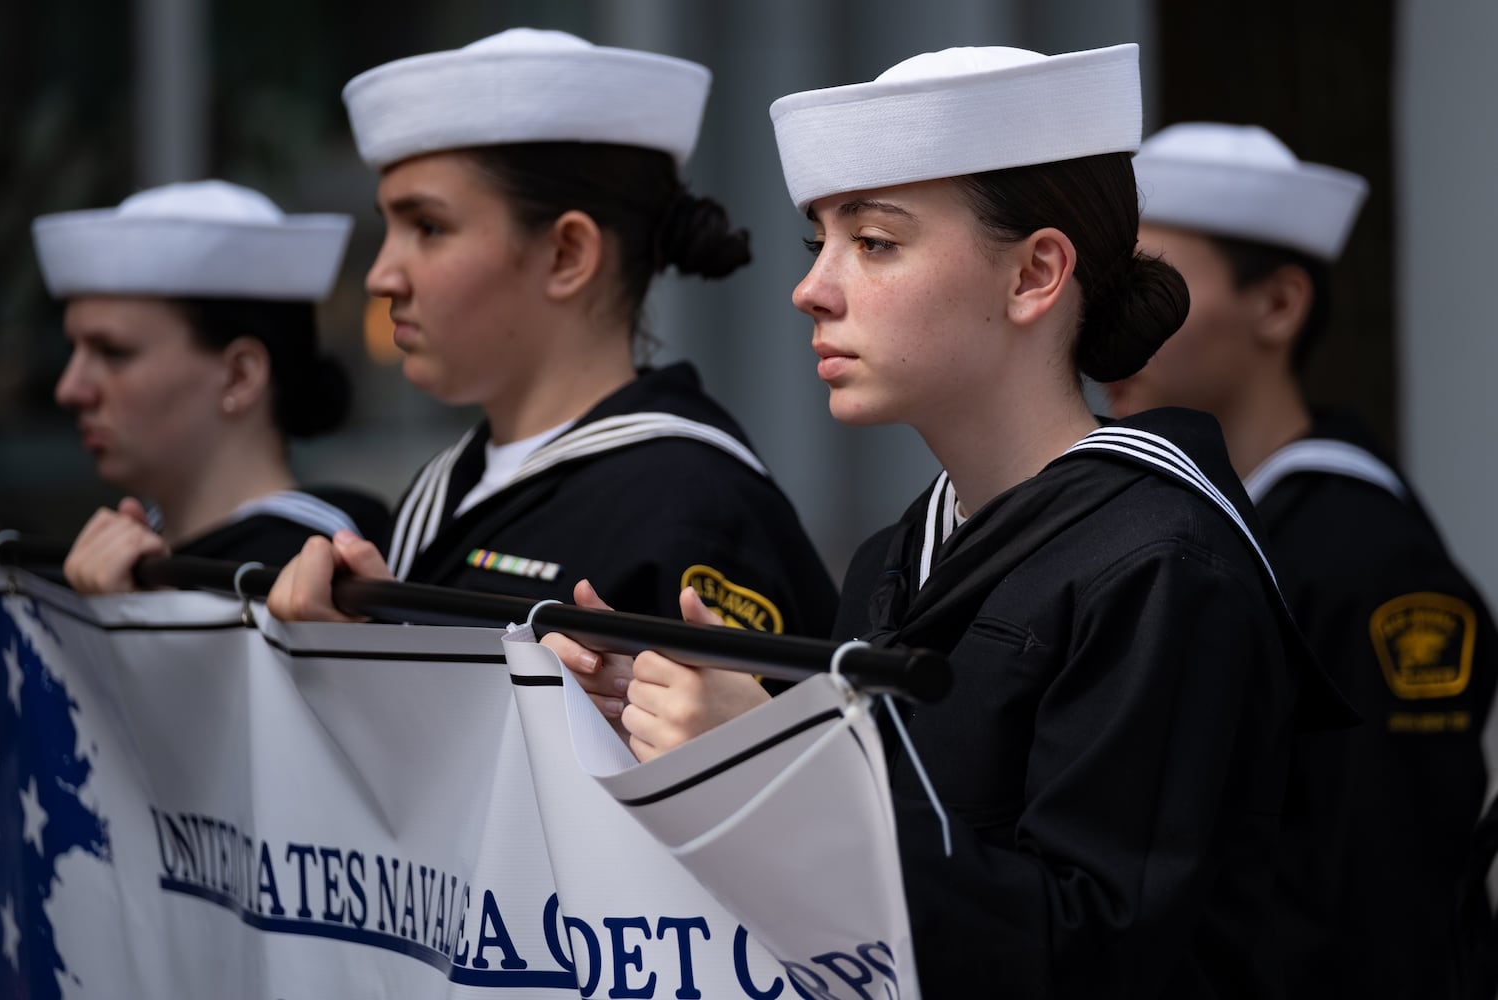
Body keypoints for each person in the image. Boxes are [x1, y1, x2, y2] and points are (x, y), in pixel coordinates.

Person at [545, 44, 1333, 995]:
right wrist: (659, 719)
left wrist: (769, 764)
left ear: (1035, 273)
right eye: (819, 242)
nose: (813, 288)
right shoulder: (897, 554)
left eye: (874, 242)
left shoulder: (1161, 565)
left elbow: (1099, 958)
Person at [267, 28, 837, 653]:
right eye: (391, 227)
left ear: (567, 254)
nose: (381, 275)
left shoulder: (691, 513)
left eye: (428, 227)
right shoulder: (453, 484)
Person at [1106, 121, 1498, 999]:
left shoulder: (1368, 565)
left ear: (1278, 304)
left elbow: (1380, 903)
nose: (1105, 321)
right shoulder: (1166, 523)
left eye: (1150, 282)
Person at [33, 180, 389, 593]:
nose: (70, 389)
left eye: (114, 352)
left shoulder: (320, 577)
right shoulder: (128, 558)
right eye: (72, 351)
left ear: (241, 374)